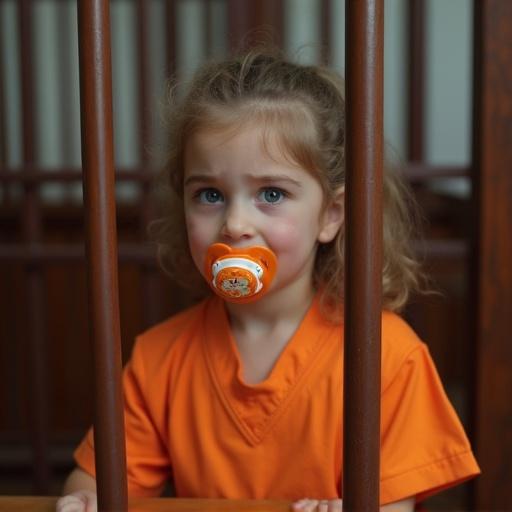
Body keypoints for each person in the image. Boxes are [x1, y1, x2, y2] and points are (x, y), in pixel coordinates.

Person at [56, 47, 480, 512]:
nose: (235, 222)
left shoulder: (388, 355)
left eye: (271, 193)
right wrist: (84, 500)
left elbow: (397, 503)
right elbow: (99, 481)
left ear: (331, 215)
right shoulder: (159, 359)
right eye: (210, 194)